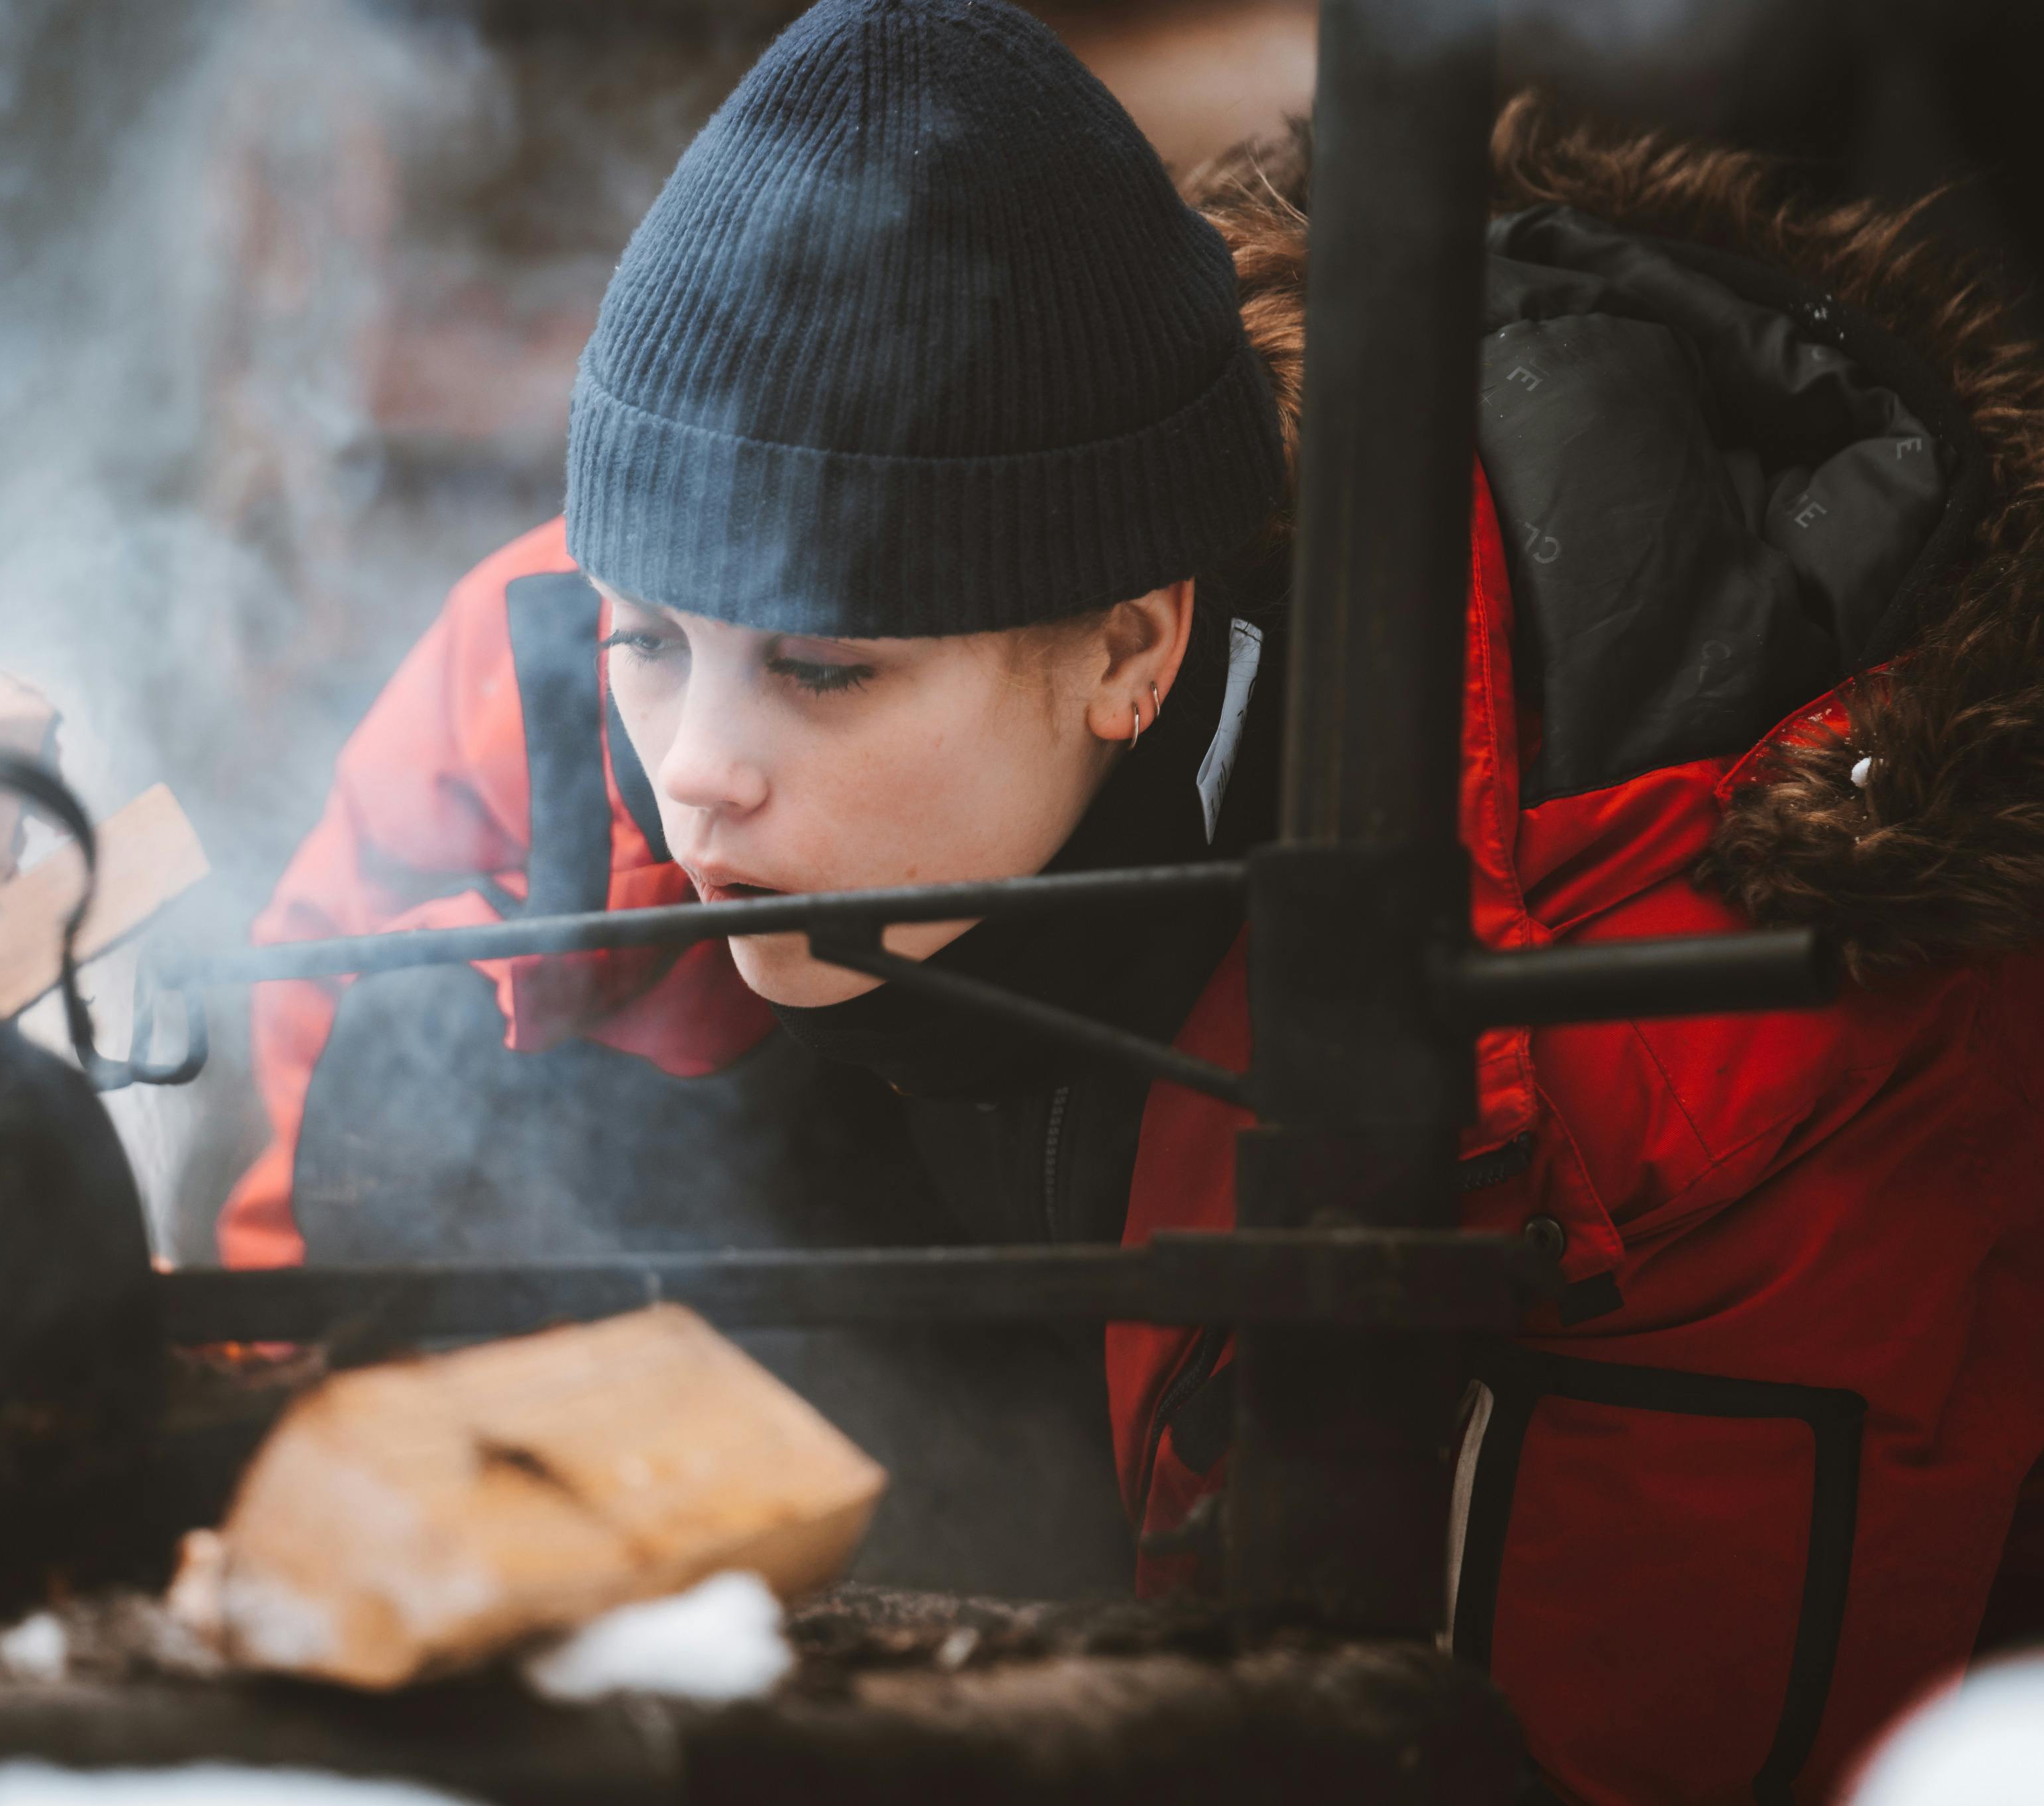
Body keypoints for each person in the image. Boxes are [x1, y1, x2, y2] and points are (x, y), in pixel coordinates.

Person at [220, 3, 2044, 1799]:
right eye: (652, 641)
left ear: (1130, 648)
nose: (698, 758)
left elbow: (1606, 1754)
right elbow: (287, 1426)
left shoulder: (1701, 1037)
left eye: (822, 673)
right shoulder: (563, 689)